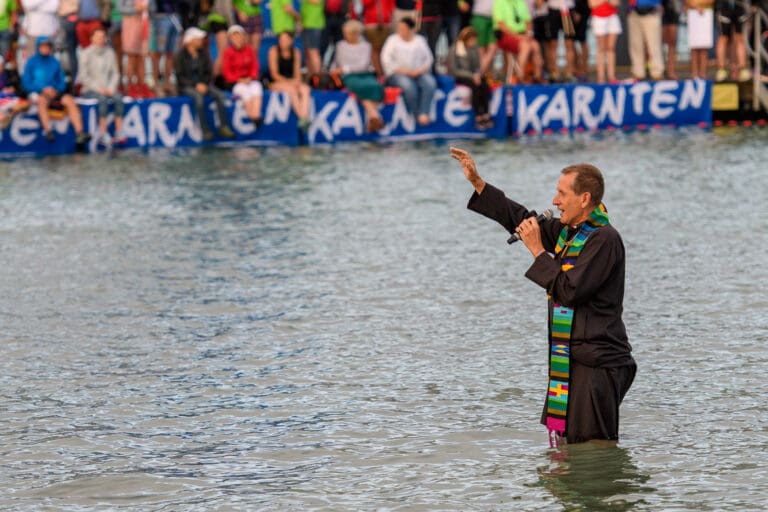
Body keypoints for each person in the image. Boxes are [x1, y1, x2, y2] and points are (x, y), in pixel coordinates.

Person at [450, 146, 636, 446]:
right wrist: (478, 183)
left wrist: (538, 251)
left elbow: (569, 291)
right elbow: (523, 220)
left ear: (584, 198)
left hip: (598, 364)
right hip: (571, 359)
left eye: (562, 193)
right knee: (567, 447)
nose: (555, 201)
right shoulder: (569, 232)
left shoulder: (604, 239)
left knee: (595, 447)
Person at [22, 37, 91, 144]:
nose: (45, 48)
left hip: (54, 92)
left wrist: (56, 90)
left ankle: (79, 132)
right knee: (41, 101)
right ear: (38, 47)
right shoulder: (31, 62)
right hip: (38, 92)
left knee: (69, 100)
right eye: (43, 46)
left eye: (47, 46)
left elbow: (62, 81)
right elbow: (26, 83)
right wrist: (42, 89)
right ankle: (48, 131)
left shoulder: (54, 62)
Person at [174, 26, 236, 140]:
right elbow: (180, 76)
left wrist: (203, 84)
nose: (200, 41)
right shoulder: (180, 56)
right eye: (198, 38)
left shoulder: (203, 54)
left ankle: (224, 126)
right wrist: (195, 85)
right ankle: (205, 129)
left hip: (203, 84)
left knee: (220, 95)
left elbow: (209, 72)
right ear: (191, 40)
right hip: (186, 86)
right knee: (198, 98)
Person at [380, 16, 437, 126]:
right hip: (398, 73)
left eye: (403, 28)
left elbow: (429, 59)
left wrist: (419, 70)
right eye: (399, 28)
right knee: (408, 86)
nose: (400, 31)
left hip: (418, 72)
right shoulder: (392, 40)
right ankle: (417, 115)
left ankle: (424, 112)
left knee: (430, 83)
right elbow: (386, 60)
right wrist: (405, 72)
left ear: (411, 29)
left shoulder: (419, 40)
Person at [333, 19, 385, 132]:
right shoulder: (340, 45)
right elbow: (338, 63)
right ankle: (374, 116)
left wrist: (346, 68)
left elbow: (363, 65)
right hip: (348, 76)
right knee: (360, 87)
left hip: (364, 74)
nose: (346, 35)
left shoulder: (366, 46)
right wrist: (342, 70)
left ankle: (372, 119)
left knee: (375, 86)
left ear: (356, 33)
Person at [78, 25, 126, 146]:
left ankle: (119, 130)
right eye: (98, 37)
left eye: (103, 36)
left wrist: (111, 87)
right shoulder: (85, 53)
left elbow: (115, 73)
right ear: (92, 38)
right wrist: (99, 89)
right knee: (102, 99)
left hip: (108, 88)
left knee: (118, 98)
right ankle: (103, 132)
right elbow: (84, 77)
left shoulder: (110, 52)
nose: (101, 39)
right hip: (90, 89)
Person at [447, 26, 493, 129]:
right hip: (461, 76)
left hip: (474, 75)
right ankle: (478, 115)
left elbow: (477, 66)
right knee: (476, 87)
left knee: (484, 85)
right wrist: (472, 76)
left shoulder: (474, 48)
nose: (473, 43)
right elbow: (454, 70)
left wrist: (477, 74)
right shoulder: (455, 48)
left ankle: (486, 113)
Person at [267, 31, 312, 130]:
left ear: (291, 41)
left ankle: (303, 117)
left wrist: (295, 82)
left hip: (291, 82)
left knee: (305, 89)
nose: (283, 42)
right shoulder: (273, 51)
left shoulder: (296, 52)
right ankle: (303, 117)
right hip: (276, 82)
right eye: (281, 39)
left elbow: (297, 74)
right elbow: (274, 74)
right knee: (292, 90)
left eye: (286, 39)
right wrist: (290, 82)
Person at [493, 0, 544, 84]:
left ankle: (537, 77)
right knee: (525, 46)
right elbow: (500, 24)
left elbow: (528, 20)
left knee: (535, 45)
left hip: (522, 34)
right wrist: (517, 36)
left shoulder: (520, 2)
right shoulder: (499, 2)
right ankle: (521, 76)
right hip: (506, 35)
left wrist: (528, 34)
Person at [222, 24, 263, 128]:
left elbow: (255, 66)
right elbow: (227, 73)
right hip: (235, 82)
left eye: (239, 36)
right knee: (244, 91)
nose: (237, 39)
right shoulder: (228, 52)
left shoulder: (249, 50)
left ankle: (255, 115)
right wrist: (239, 79)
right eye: (234, 36)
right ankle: (254, 117)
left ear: (243, 37)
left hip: (249, 79)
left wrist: (250, 77)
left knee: (256, 87)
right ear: (230, 39)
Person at [118, 0, 154, 97]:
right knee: (132, 57)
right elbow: (120, 8)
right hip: (130, 24)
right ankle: (130, 86)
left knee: (142, 58)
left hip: (144, 25)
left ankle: (141, 85)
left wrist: (148, 9)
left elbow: (153, 8)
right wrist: (135, 9)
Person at [149, 0, 181, 96]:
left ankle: (167, 83)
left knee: (171, 53)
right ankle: (156, 83)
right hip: (161, 16)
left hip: (176, 17)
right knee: (159, 52)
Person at [627, 0, 664, 80]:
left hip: (651, 11)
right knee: (635, 45)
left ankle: (657, 72)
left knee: (654, 44)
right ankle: (638, 72)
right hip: (634, 12)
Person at [714, 0, 750, 82]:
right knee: (723, 37)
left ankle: (742, 69)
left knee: (739, 38)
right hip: (724, 7)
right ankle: (721, 69)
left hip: (739, 6)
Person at [361, 0, 396, 79]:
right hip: (372, 23)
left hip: (386, 23)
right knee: (375, 49)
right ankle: (379, 73)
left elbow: (391, 5)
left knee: (385, 49)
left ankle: (385, 72)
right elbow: (365, 3)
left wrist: (389, 15)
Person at [589, 0, 621, 83]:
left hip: (612, 17)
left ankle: (611, 76)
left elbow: (616, 3)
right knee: (601, 48)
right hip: (598, 17)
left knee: (611, 48)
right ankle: (601, 77)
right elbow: (592, 4)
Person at [469, 0, 498, 76]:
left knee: (493, 49)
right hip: (480, 16)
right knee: (480, 50)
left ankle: (480, 75)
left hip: (496, 18)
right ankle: (480, 77)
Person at [685, 0, 713, 79]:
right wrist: (695, 6)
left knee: (704, 46)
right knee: (694, 46)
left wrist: (698, 4)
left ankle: (703, 73)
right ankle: (694, 73)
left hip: (706, 14)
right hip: (692, 14)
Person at [232, 0, 263, 66]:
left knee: (255, 50)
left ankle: (254, 74)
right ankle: (243, 73)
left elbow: (257, 1)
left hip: (256, 15)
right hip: (243, 17)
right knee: (245, 49)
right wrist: (239, 12)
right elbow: (230, 4)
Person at [301, 0, 326, 77]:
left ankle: (318, 79)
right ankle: (311, 78)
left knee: (313, 51)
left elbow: (316, 1)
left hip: (314, 24)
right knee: (308, 53)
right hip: (306, 23)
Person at [661, 0, 680, 79]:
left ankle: (671, 71)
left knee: (672, 43)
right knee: (658, 42)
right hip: (660, 10)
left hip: (673, 10)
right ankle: (659, 69)